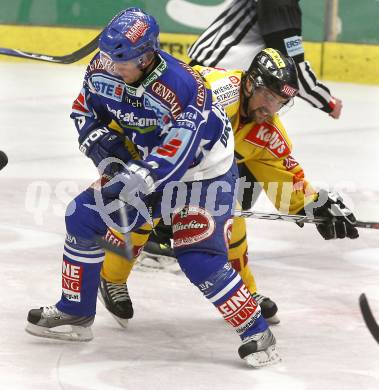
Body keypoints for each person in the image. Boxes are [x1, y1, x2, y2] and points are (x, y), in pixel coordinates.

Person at [26, 8, 282, 368]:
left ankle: (258, 333)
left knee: (199, 259)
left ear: (147, 57)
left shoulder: (183, 86)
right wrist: (108, 153)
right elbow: (86, 111)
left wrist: (142, 175)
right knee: (82, 217)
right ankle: (76, 312)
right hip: (144, 167)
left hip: (203, 175)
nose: (114, 67)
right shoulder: (105, 67)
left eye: (124, 61)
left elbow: (182, 149)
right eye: (111, 58)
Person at [97, 48, 359, 330]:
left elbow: (284, 175)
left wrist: (315, 204)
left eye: (280, 102)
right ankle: (111, 279)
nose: (271, 108)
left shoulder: (265, 128)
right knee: (140, 214)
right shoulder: (213, 96)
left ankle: (241, 290)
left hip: (196, 167)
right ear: (249, 83)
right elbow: (158, 130)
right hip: (143, 145)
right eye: (268, 96)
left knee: (230, 218)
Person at [188, 0, 343, 119]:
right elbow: (294, 72)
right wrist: (329, 103)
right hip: (221, 86)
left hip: (203, 72)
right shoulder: (281, 5)